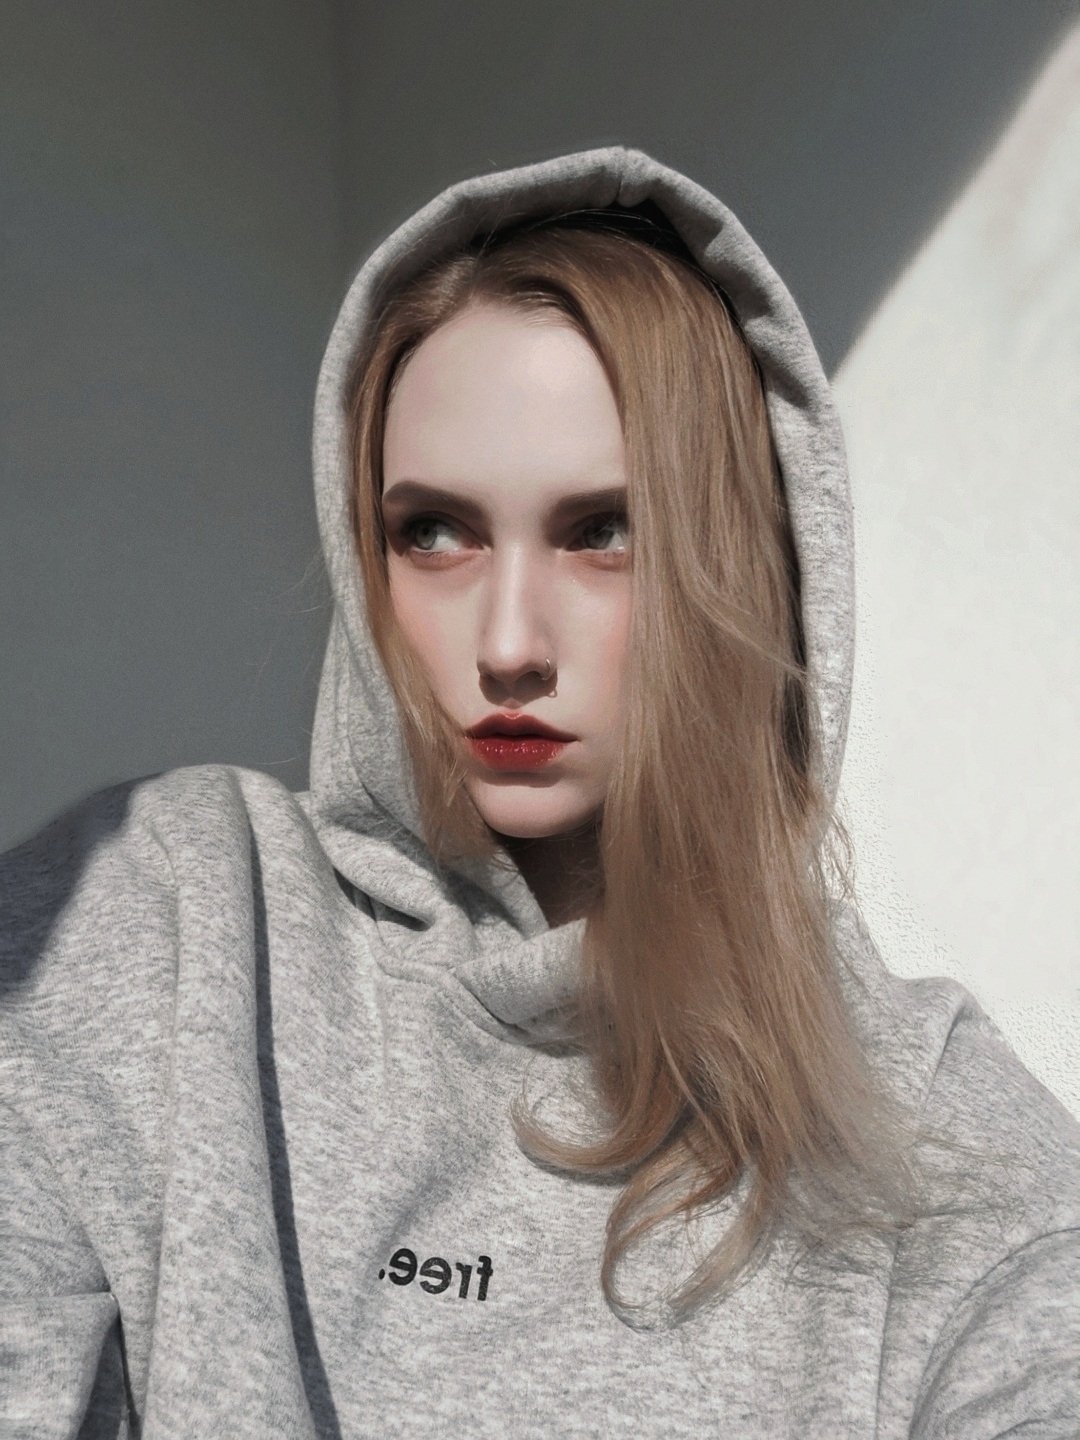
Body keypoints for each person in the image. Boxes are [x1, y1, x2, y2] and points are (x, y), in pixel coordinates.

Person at [1, 145, 1078, 1437]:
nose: (508, 643)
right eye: (434, 533)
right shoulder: (171, 924)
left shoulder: (925, 1119)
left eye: (602, 532)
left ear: (735, 563)